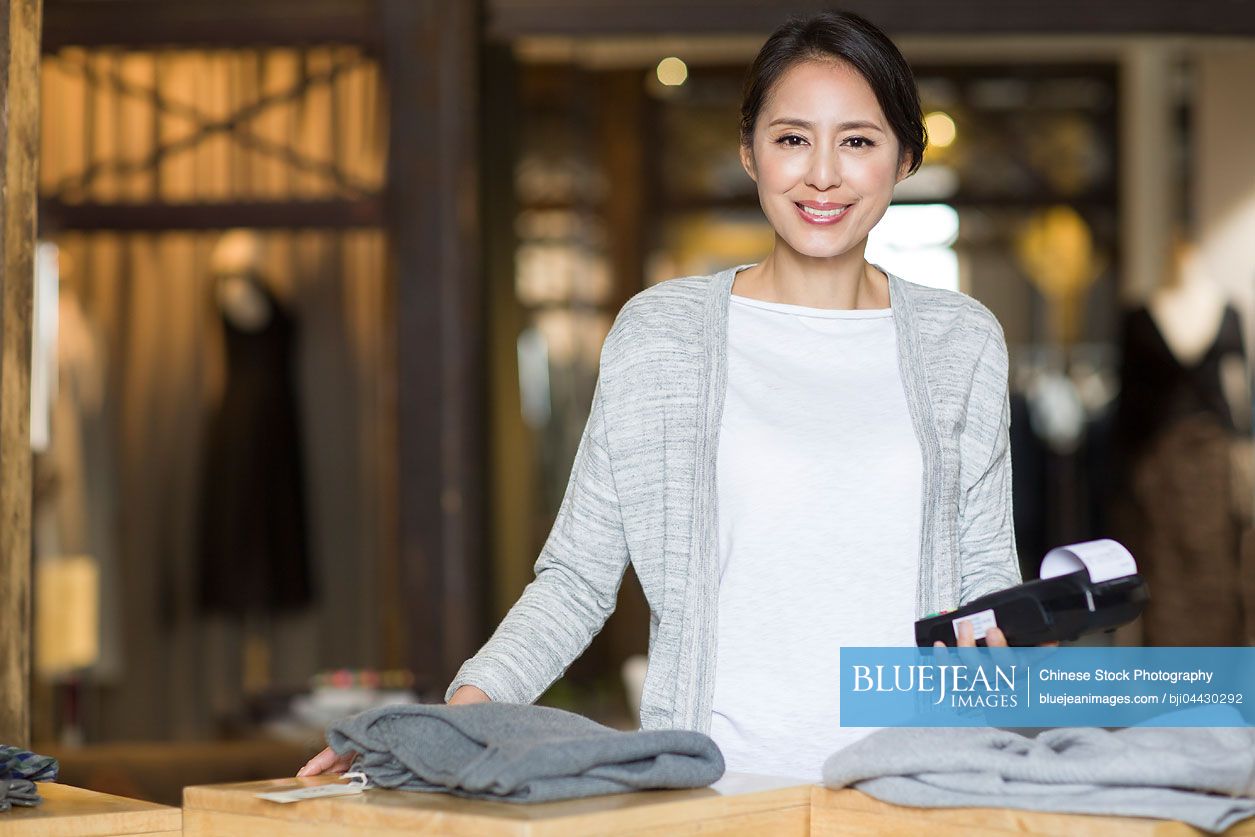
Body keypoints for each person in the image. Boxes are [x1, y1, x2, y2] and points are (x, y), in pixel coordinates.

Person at [301, 9, 1051, 782]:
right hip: (714, 793)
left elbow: (985, 579)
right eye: (791, 138)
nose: (821, 173)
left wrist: (1031, 633)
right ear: (750, 153)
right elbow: (578, 578)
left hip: (913, 787)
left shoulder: (960, 340)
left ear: (903, 159)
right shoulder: (662, 334)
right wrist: (441, 731)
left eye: (856, 141)